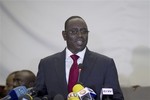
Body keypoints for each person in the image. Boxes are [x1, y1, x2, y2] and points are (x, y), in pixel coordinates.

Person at [35, 16, 124, 100]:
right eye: (73, 31)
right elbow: (38, 96)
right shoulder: (46, 64)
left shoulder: (105, 64)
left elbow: (117, 97)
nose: (80, 35)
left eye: (84, 31)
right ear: (64, 35)